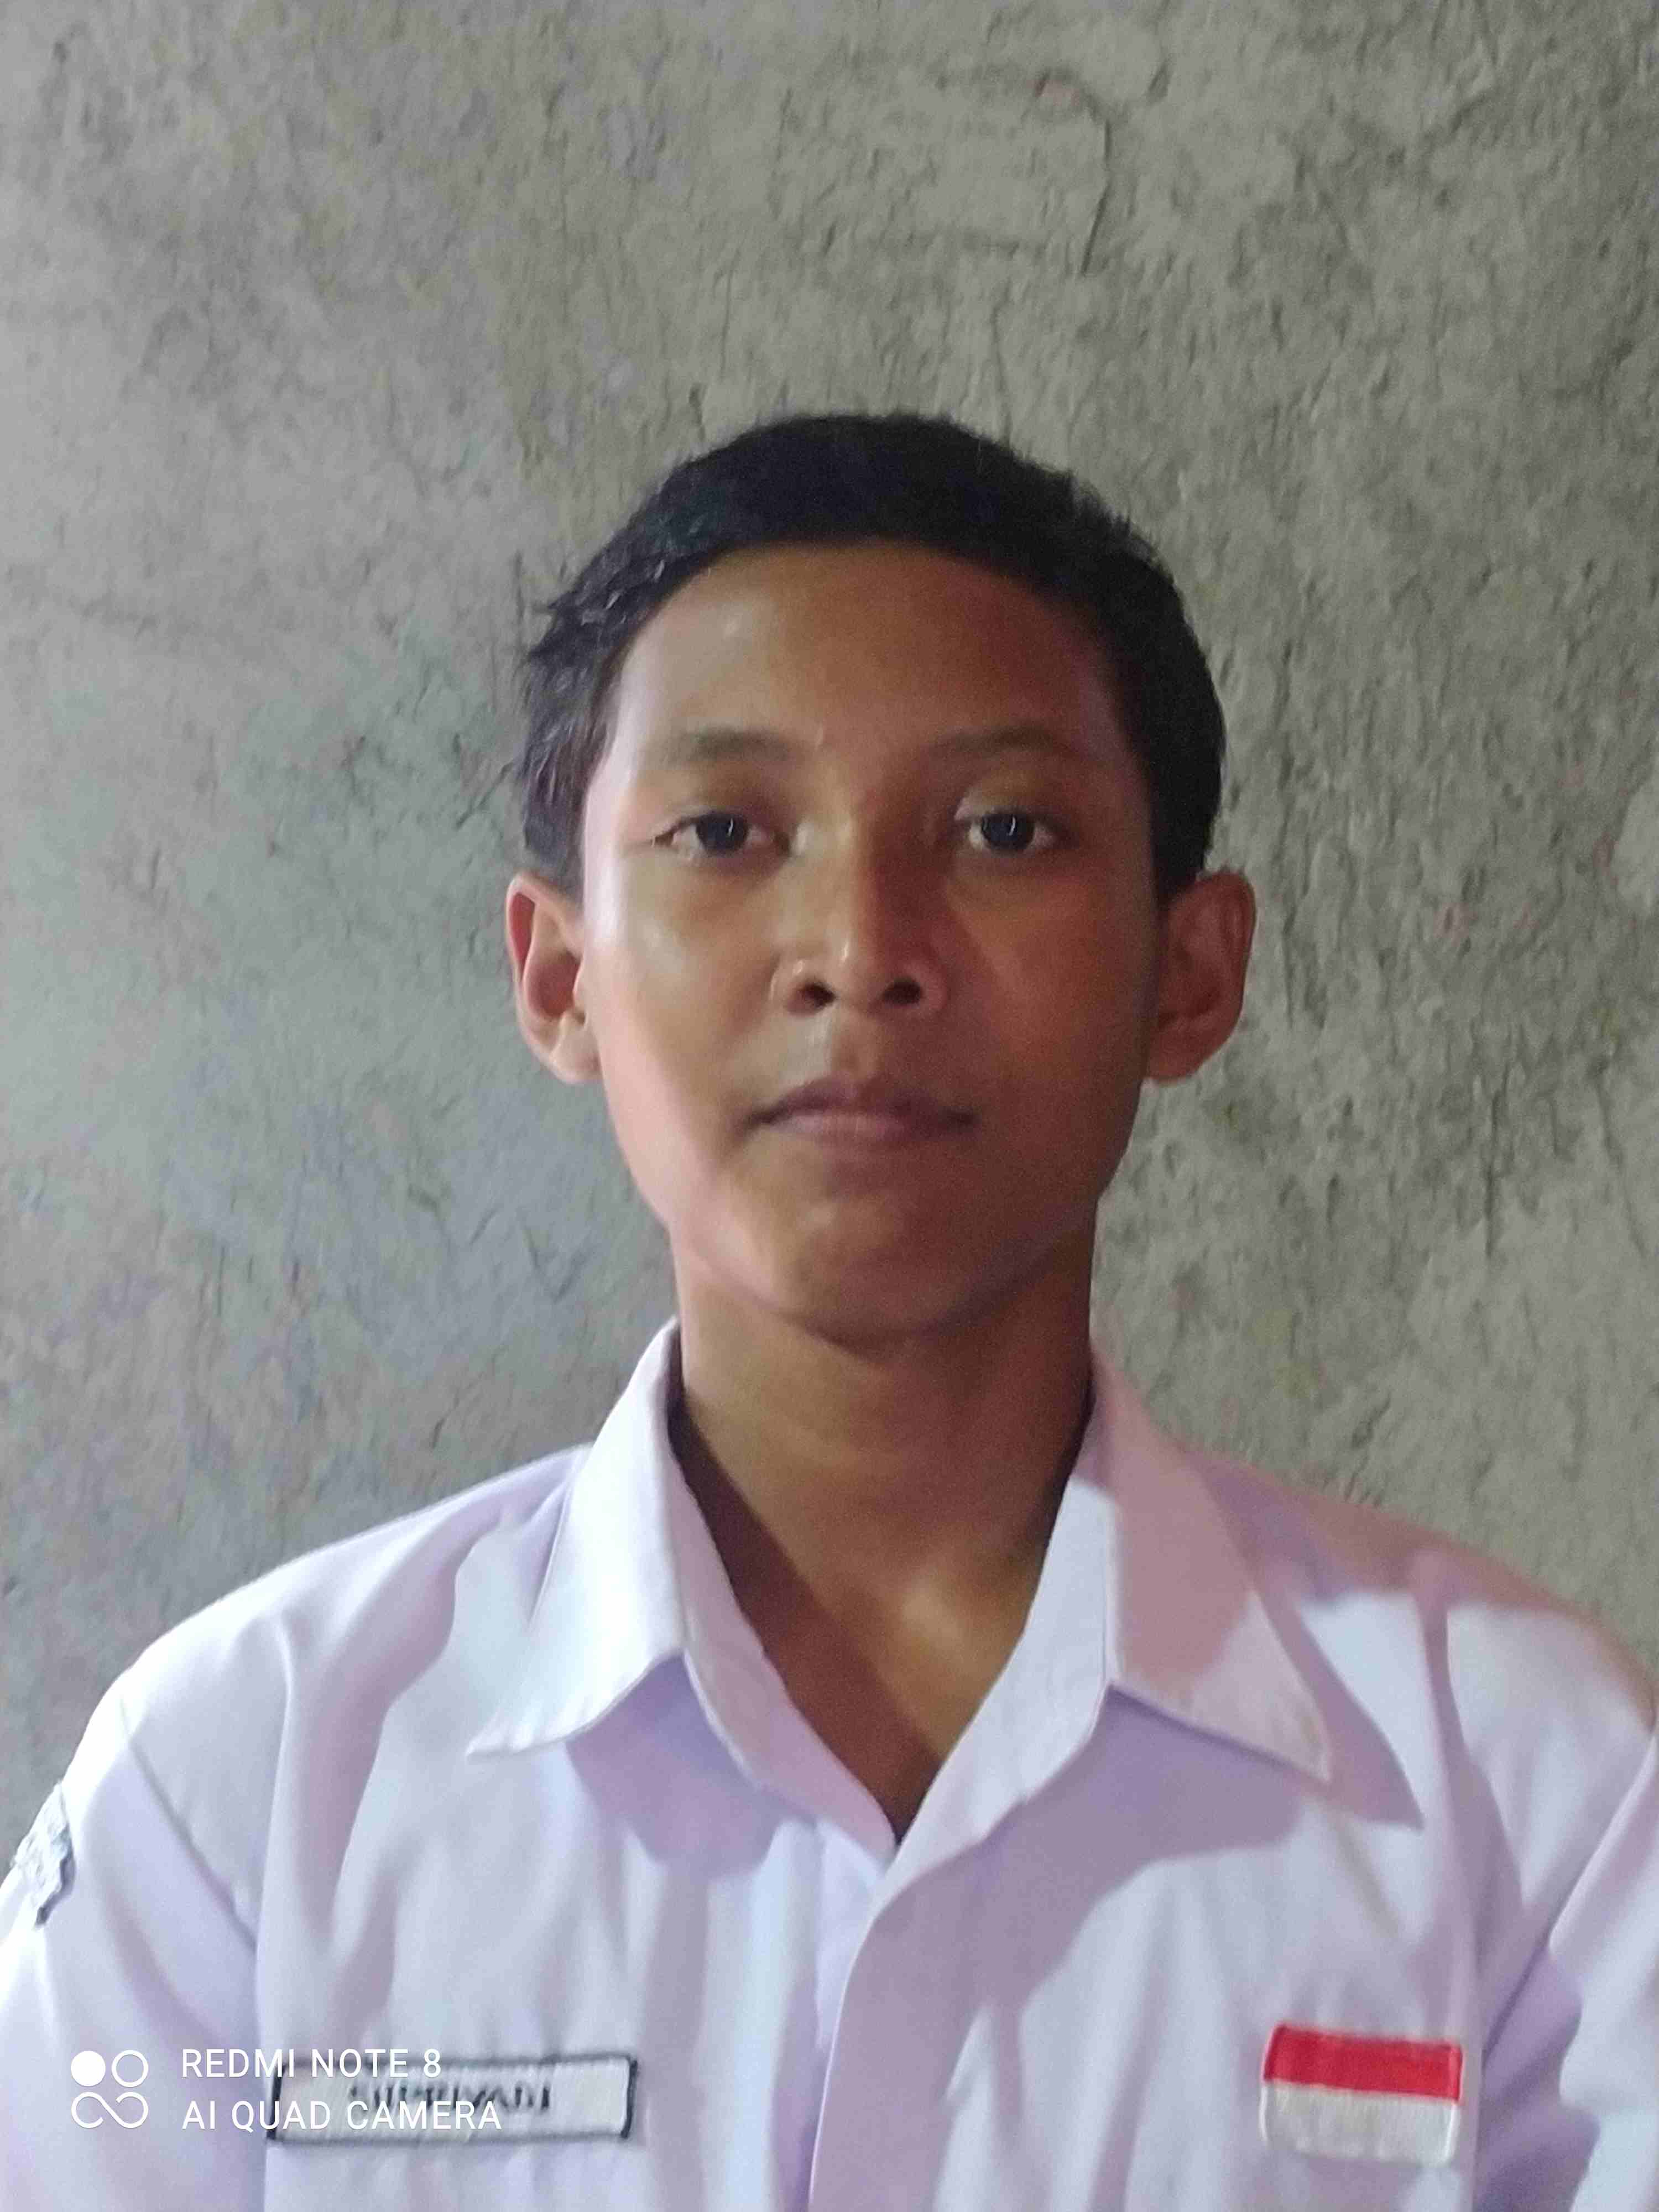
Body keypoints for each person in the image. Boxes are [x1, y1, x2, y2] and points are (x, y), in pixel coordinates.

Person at [2, 411, 1654, 2209]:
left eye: (1006, 830)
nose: (862, 949)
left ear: (1189, 973)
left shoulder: (1535, 1788)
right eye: (726, 830)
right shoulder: (242, 1787)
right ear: (559, 978)